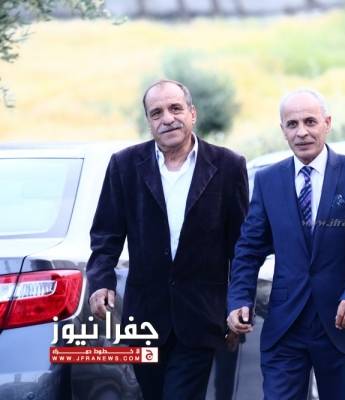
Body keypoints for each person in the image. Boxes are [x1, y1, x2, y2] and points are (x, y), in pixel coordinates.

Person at [86, 79, 249, 400]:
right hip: (145, 317)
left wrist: (237, 302)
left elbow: (240, 245)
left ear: (192, 113)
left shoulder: (229, 166)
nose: (167, 118)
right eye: (157, 113)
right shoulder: (125, 165)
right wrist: (101, 282)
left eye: (175, 108)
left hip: (201, 316)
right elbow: (106, 233)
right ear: (149, 122)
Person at [227, 89, 345, 400]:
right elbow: (248, 249)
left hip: (343, 322)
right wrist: (238, 300)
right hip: (286, 325)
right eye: (292, 124)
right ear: (283, 130)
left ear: (327, 123)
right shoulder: (268, 180)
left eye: (310, 122)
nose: (301, 132)